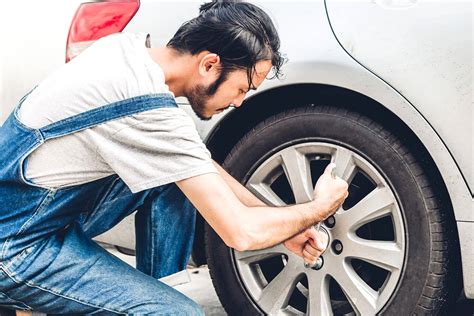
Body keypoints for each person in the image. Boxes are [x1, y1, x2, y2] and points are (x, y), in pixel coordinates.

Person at [0, 1, 348, 314]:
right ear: (210, 64)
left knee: (178, 181)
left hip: (35, 215)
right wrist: (317, 209)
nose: (240, 102)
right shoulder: (142, 105)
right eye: (242, 89)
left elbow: (196, 166)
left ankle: (152, 298)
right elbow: (240, 234)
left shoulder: (127, 51)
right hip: (15, 247)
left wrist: (285, 226)